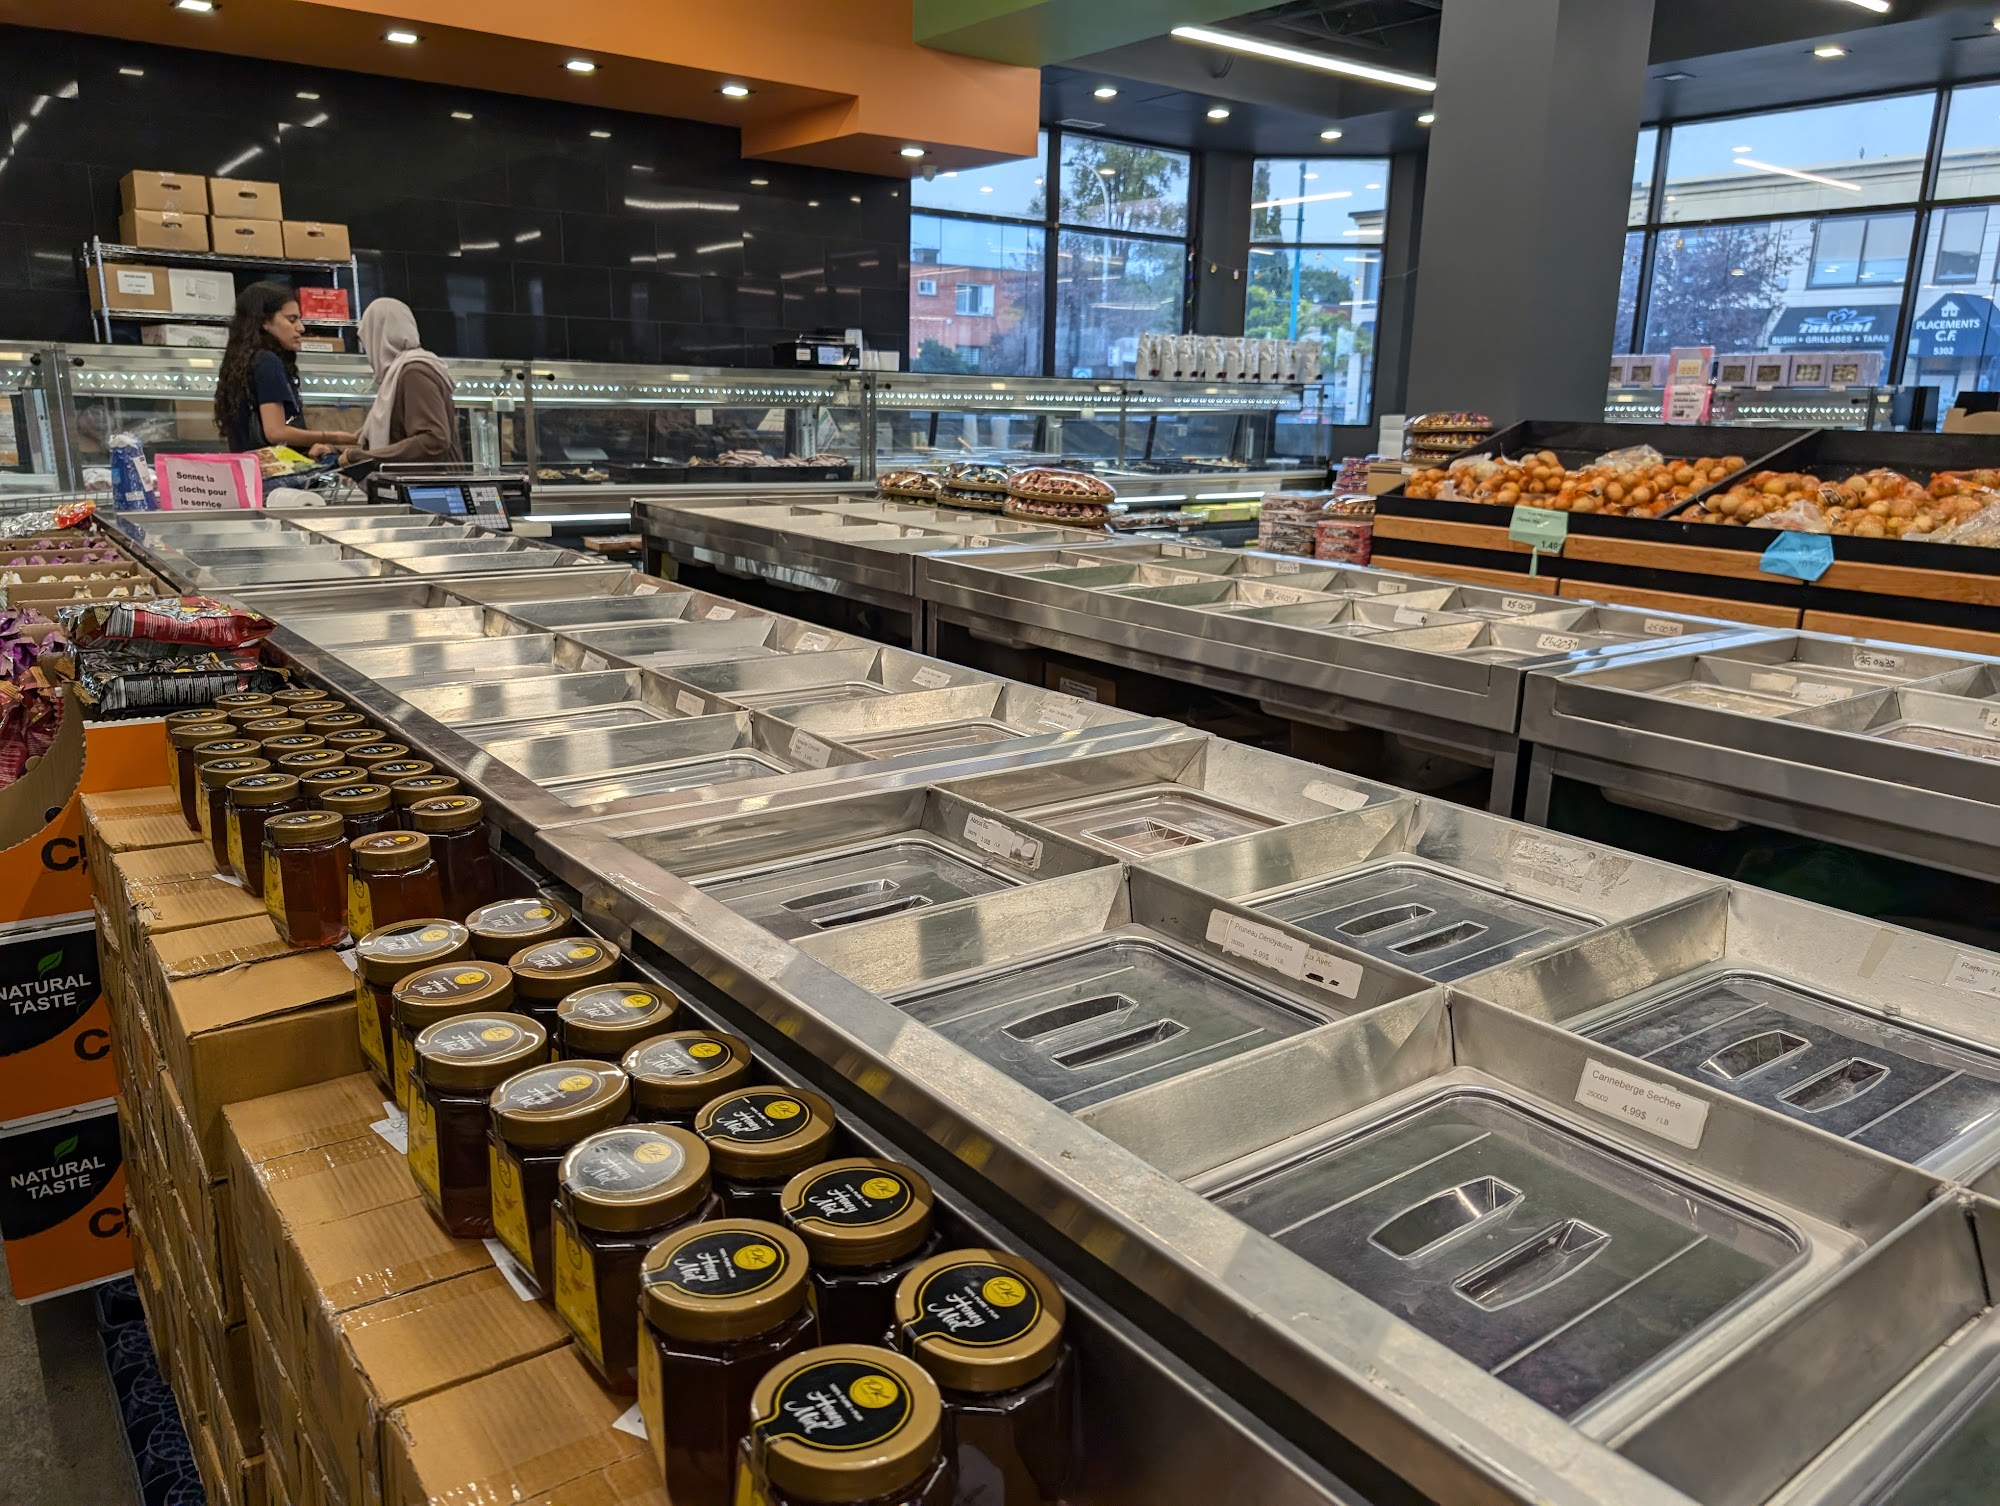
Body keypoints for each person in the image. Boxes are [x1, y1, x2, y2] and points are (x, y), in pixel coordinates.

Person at [213, 281, 356, 453]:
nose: (301, 328)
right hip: (274, 467)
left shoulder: (241, 361)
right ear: (265, 322)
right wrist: (336, 437)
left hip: (249, 465)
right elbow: (275, 432)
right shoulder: (267, 361)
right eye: (291, 319)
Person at [317, 298, 461, 468]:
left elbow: (433, 441)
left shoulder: (414, 372)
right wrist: (337, 451)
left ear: (377, 336)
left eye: (366, 341)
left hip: (429, 483)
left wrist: (359, 457)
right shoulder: (401, 373)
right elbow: (395, 441)